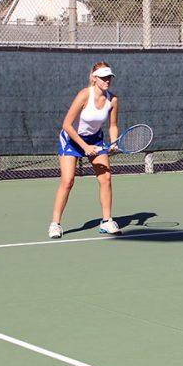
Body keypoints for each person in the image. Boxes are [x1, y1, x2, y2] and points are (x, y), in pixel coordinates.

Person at [48, 62, 120, 238]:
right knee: (67, 181)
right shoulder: (83, 95)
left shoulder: (113, 99)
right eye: (103, 77)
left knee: (106, 178)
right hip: (71, 139)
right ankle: (55, 224)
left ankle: (106, 221)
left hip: (95, 139)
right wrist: (84, 147)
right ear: (94, 78)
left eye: (109, 77)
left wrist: (114, 142)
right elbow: (66, 125)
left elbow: (112, 125)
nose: (107, 80)